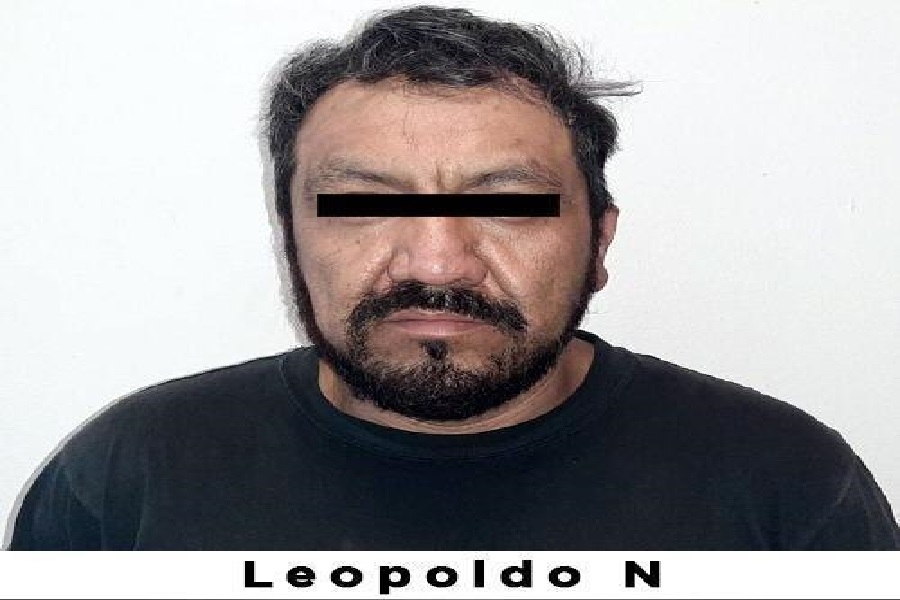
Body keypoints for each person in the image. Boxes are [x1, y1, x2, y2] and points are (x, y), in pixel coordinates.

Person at [8, 5, 899, 550]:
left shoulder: (782, 484)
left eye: (509, 205)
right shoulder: (127, 477)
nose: (436, 262)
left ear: (599, 242)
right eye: (362, 205)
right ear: (292, 239)